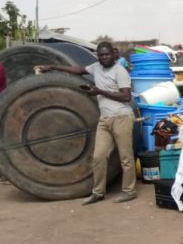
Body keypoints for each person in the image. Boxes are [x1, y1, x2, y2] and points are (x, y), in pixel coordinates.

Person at [38, 41, 137, 205]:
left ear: (113, 54)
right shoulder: (96, 67)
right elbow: (78, 69)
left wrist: (99, 91)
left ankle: (129, 191)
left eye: (106, 54)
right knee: (98, 157)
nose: (103, 58)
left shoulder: (120, 71)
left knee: (125, 157)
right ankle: (98, 192)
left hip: (121, 118)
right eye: (100, 55)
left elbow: (126, 97)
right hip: (104, 120)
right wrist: (53, 67)